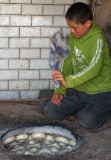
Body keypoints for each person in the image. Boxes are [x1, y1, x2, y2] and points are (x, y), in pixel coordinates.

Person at [42, 2, 111, 129]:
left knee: (86, 121)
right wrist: (60, 90)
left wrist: (67, 82)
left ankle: (105, 107)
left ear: (88, 24)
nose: (72, 31)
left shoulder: (97, 39)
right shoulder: (75, 37)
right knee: (49, 110)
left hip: (101, 92)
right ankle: (85, 108)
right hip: (79, 90)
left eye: (75, 27)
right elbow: (69, 61)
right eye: (69, 27)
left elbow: (95, 69)